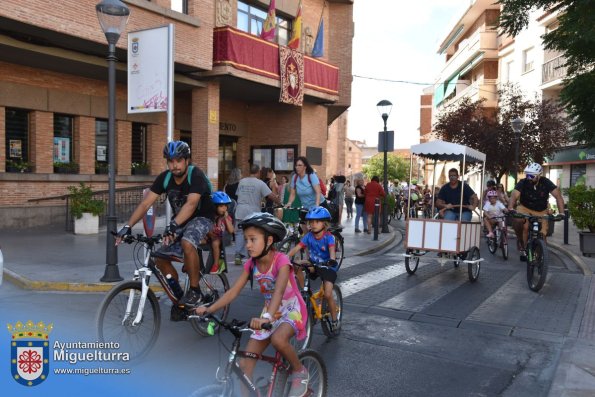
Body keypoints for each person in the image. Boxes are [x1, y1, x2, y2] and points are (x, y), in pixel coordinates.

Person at [194, 212, 309, 397]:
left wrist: (266, 317)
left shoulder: (282, 261)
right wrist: (209, 309)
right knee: (245, 364)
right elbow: (233, 291)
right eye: (246, 240)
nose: (247, 245)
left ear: (269, 240)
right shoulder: (251, 264)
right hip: (269, 313)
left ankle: (299, 371)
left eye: (252, 239)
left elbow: (279, 292)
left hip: (290, 310)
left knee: (278, 340)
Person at [115, 141, 214, 308]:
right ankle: (181, 300)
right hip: (180, 221)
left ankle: (195, 291)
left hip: (202, 218)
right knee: (160, 258)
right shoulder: (165, 178)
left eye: (178, 160)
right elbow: (146, 204)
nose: (174, 165)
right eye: (170, 161)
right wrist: (127, 226)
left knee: (187, 242)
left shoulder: (195, 175)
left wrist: (173, 224)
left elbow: (191, 204)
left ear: (186, 160)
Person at [287, 206, 339, 329]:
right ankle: (305, 292)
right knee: (297, 264)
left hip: (327, 266)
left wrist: (331, 260)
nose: (313, 224)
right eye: (311, 222)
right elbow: (296, 248)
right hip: (314, 264)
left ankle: (334, 319)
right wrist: (284, 258)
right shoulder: (308, 236)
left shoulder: (328, 237)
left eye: (317, 221)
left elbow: (332, 250)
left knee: (327, 294)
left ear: (324, 223)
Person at [508, 163, 566, 261]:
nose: (529, 178)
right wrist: (510, 208)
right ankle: (522, 243)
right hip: (525, 208)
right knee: (521, 223)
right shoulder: (523, 182)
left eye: (531, 176)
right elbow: (514, 195)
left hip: (541, 210)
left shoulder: (546, 182)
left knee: (542, 234)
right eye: (527, 175)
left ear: (539, 175)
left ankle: (540, 258)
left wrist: (561, 213)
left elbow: (558, 196)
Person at [234, 164, 280, 266]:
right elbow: (271, 195)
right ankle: (252, 255)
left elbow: (238, 194)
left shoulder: (242, 181)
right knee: (252, 234)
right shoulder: (260, 183)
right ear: (258, 172)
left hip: (240, 211)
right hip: (252, 212)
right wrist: (279, 202)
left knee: (239, 233)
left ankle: (238, 255)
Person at [208, 191, 234, 273]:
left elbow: (231, 230)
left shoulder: (226, 217)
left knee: (215, 243)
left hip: (222, 238)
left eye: (226, 206)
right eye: (221, 206)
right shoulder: (210, 217)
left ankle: (216, 264)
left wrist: (226, 219)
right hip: (210, 236)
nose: (224, 209)